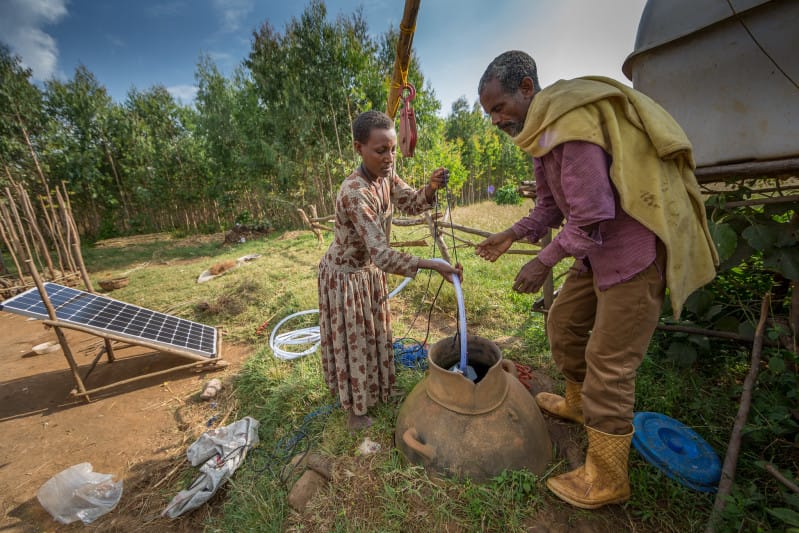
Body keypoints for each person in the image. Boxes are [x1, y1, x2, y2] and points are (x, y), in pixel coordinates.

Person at [475, 51, 718, 508]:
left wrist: (543, 260)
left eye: (499, 108)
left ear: (527, 88)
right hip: (593, 254)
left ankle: (607, 476)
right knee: (564, 324)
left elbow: (591, 214)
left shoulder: (573, 126)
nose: (494, 120)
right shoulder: (541, 138)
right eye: (489, 112)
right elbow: (550, 208)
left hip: (629, 257)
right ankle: (577, 402)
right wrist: (510, 234)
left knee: (609, 364)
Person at [318, 109, 462, 432]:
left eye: (393, 149)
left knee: (375, 334)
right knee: (354, 341)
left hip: (368, 272)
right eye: (380, 150)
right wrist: (431, 264)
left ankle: (379, 390)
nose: (389, 157)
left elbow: (411, 202)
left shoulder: (386, 176)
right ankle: (355, 412)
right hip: (346, 277)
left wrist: (431, 188)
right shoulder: (355, 192)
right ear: (359, 148)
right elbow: (382, 255)